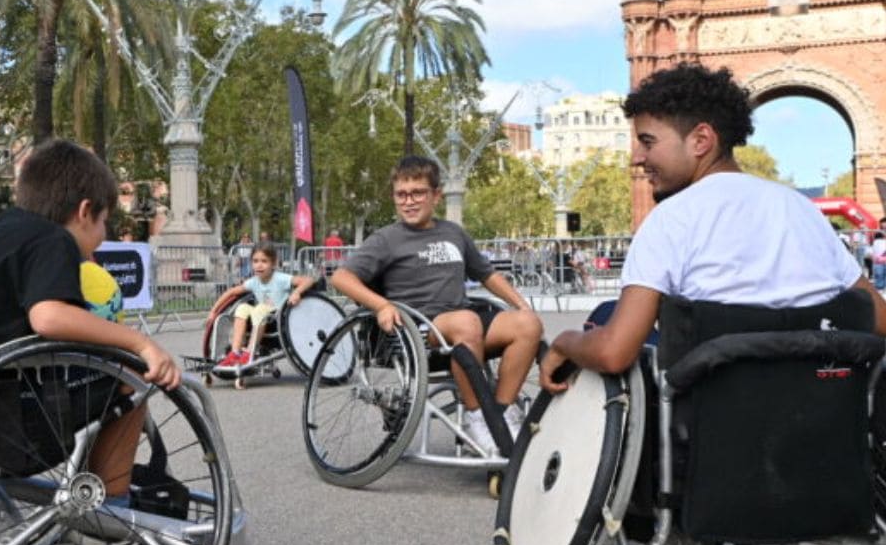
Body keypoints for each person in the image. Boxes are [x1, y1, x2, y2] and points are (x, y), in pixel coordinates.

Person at [540, 64, 886, 392]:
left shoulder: (670, 220)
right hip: (824, 420)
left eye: (647, 142)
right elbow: (879, 320)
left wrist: (565, 342)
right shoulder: (803, 210)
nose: (637, 158)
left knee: (608, 317)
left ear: (701, 140)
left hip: (713, 426)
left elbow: (613, 352)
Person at [0, 139, 179, 500]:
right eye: (105, 222)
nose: (103, 238)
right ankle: (113, 505)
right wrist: (140, 342)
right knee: (131, 373)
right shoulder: (52, 239)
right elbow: (49, 317)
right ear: (85, 211)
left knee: (104, 370)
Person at [331, 155, 543, 456]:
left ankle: (503, 411)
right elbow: (341, 276)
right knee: (466, 322)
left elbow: (486, 274)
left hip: (463, 323)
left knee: (529, 324)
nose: (409, 201)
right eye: (401, 195)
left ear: (436, 195)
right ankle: (477, 419)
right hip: (419, 329)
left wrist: (522, 305)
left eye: (417, 193)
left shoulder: (454, 233)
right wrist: (381, 306)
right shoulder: (387, 239)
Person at [211, 243, 315, 369]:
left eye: (264, 261)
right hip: (260, 316)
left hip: (278, 318)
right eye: (255, 261)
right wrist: (213, 311)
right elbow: (231, 292)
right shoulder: (253, 281)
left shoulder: (280, 278)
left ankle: (249, 352)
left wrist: (297, 292)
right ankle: (235, 352)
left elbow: (308, 280)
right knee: (242, 308)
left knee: (260, 309)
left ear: (273, 263)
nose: (259, 265)